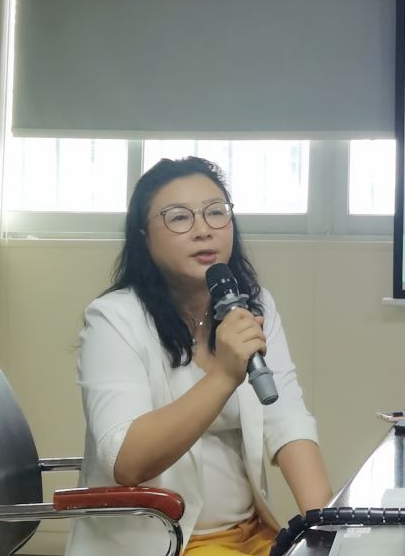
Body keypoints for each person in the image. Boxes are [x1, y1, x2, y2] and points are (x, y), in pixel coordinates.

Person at [65, 156, 332, 556]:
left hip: (252, 533)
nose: (203, 230)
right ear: (144, 236)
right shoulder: (113, 319)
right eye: (179, 218)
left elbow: (288, 421)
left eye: (215, 212)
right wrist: (223, 376)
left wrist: (328, 527)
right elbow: (126, 461)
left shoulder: (252, 307)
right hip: (167, 541)